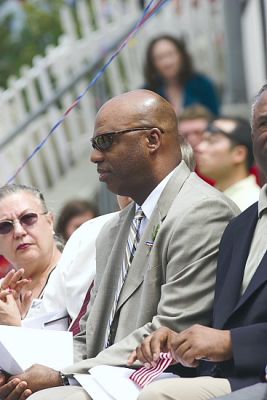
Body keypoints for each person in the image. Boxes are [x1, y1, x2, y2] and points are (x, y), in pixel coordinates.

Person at [0, 89, 238, 399]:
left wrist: (62, 377)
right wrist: (25, 370)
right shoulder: (114, 229)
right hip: (106, 376)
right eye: (95, 144)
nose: (94, 156)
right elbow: (89, 337)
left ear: (152, 140)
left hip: (162, 377)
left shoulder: (201, 212)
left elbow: (170, 332)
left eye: (106, 141)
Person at [129, 83, 267, 400]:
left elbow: (227, 337)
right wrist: (176, 343)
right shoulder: (238, 228)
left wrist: (232, 342)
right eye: (263, 123)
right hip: (225, 377)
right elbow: (221, 324)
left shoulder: (215, 213)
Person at [0, 184, 62, 325]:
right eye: (4, 226)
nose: (18, 231)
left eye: (28, 218)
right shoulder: (2, 297)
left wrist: (14, 326)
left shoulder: (78, 273)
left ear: (50, 221)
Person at [144, 35, 220, 116]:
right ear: (152, 63)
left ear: (181, 55)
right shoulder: (147, 93)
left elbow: (216, 119)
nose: (167, 62)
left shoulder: (203, 85)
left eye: (170, 54)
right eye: (159, 57)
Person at [196, 116, 260, 211]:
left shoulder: (252, 205)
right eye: (203, 140)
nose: (199, 148)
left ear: (239, 154)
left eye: (212, 141)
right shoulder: (216, 196)